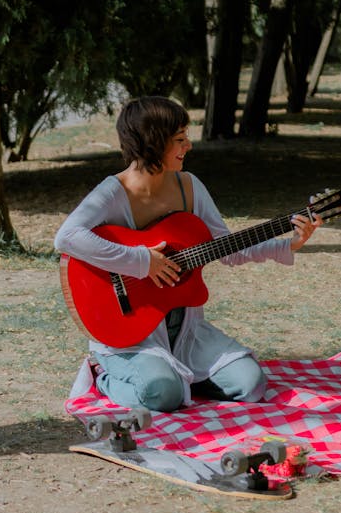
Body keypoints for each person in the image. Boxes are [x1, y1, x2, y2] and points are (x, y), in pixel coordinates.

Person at [55, 95, 321, 412]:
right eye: (180, 139)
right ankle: (106, 379)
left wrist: (287, 243)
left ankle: (177, 377)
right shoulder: (115, 191)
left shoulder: (189, 187)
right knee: (162, 395)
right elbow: (67, 237)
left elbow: (227, 248)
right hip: (129, 332)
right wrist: (143, 262)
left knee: (251, 385)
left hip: (185, 330)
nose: (189, 146)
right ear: (154, 143)